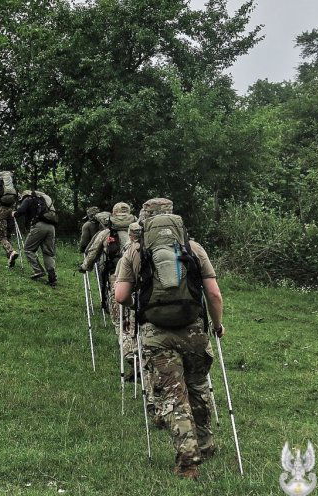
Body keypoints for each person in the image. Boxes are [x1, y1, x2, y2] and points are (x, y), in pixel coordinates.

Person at [114, 198, 223, 480]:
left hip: (157, 334)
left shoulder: (136, 250)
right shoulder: (193, 248)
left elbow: (121, 297)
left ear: (145, 219)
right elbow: (213, 294)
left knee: (175, 397)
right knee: (198, 386)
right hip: (194, 330)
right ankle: (207, 445)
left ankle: (188, 462)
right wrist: (218, 325)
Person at [81, 202, 137, 325]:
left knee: (117, 300)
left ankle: (121, 327)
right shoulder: (139, 231)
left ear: (113, 213)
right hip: (136, 272)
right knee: (134, 299)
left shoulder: (107, 232)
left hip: (115, 272)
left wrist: (85, 266)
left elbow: (93, 251)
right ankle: (133, 327)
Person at [13, 190, 58, 287]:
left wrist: (15, 213)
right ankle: (52, 278)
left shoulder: (28, 199)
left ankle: (38, 271)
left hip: (39, 226)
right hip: (51, 227)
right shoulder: (44, 201)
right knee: (48, 253)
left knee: (28, 249)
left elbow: (21, 211)